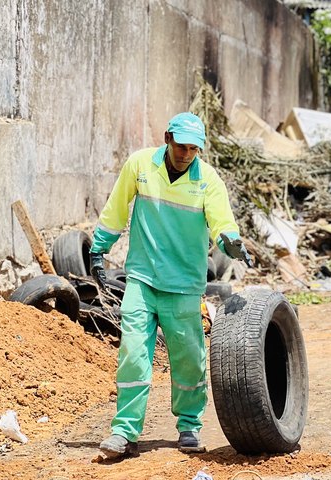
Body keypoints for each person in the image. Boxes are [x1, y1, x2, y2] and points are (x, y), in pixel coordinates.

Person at [90, 112, 249, 458]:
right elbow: (116, 207)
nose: (186, 154)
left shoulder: (208, 181)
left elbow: (222, 222)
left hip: (184, 285)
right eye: (181, 147)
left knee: (189, 358)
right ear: (167, 138)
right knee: (133, 355)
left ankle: (189, 426)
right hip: (142, 278)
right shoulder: (140, 166)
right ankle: (124, 431)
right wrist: (99, 247)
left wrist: (230, 243)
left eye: (194, 149)